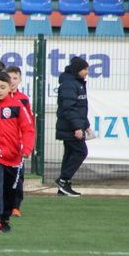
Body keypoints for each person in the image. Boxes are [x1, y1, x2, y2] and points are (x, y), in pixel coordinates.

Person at [0, 71, 36, 234]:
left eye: (2, 87)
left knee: (11, 189)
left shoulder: (17, 106)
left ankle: (4, 219)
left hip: (13, 155)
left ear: (9, 88)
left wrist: (26, 148)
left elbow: (28, 129)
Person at [55, 56, 91, 197]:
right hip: (69, 127)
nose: (87, 72)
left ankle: (64, 186)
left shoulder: (76, 83)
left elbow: (80, 108)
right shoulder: (70, 84)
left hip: (72, 126)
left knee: (70, 154)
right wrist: (77, 127)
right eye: (85, 69)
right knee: (81, 152)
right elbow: (69, 108)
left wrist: (86, 125)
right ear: (78, 70)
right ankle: (63, 180)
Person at [6, 65, 33, 217]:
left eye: (15, 78)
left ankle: (16, 206)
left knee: (18, 176)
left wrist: (27, 144)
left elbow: (29, 124)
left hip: (18, 144)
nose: (12, 81)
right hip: (2, 144)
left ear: (20, 80)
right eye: (9, 78)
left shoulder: (23, 99)